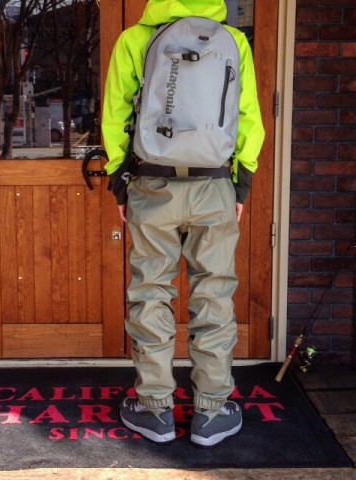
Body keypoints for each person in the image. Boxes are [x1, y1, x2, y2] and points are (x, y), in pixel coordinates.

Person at [101, 0, 265, 447]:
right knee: (214, 292)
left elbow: (115, 115)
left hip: (152, 184)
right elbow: (249, 117)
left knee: (150, 291)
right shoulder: (233, 40)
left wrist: (120, 183)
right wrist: (241, 185)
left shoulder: (135, 39)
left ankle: (155, 409)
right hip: (214, 184)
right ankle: (211, 411)